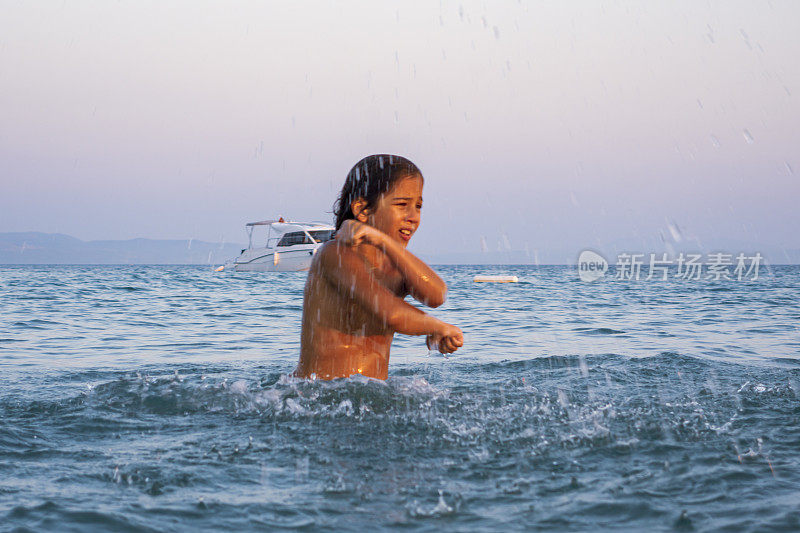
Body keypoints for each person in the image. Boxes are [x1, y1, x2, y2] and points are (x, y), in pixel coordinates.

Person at [294, 154, 464, 380]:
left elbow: (436, 295)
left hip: (368, 395)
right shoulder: (335, 255)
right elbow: (390, 313)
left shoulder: (395, 269)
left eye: (419, 206)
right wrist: (435, 327)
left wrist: (384, 242)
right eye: (402, 205)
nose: (413, 217)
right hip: (319, 395)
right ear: (363, 210)